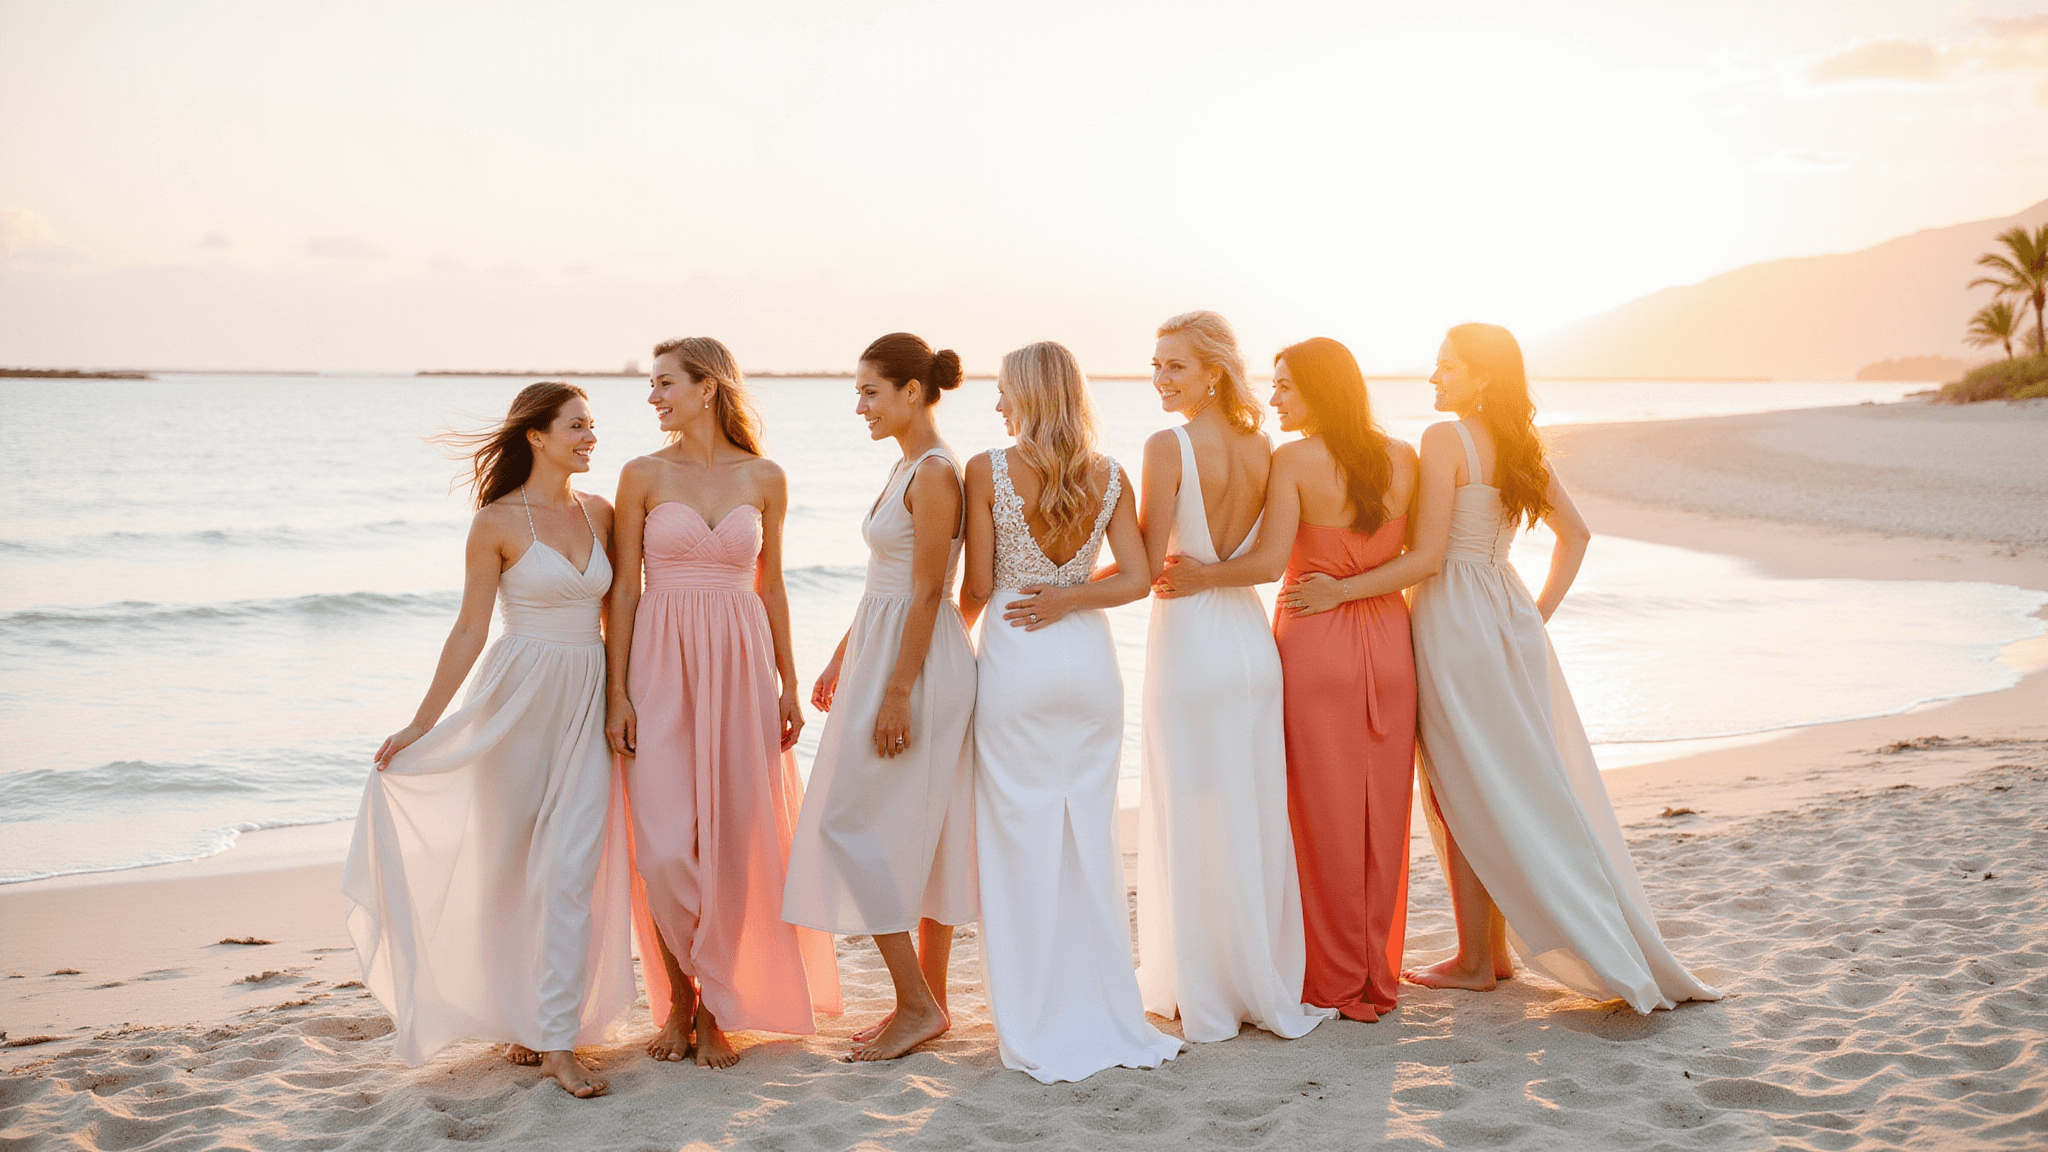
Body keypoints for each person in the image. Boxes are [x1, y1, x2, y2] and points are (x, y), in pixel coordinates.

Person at [1316, 323, 1720, 1012]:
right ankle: (1489, 952)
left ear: (1482, 378)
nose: (1434, 377)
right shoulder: (1522, 446)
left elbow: (1431, 553)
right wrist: (1536, 613)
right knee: (1502, 779)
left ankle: (1478, 958)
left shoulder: (1445, 441)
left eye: (1446, 367)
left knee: (1458, 784)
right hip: (1505, 610)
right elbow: (1577, 535)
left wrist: (1343, 584)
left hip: (1451, 615)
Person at [343, 382, 634, 1099]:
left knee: (570, 872)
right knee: (508, 872)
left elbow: (622, 609)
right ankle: (524, 1017)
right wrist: (421, 723)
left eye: (593, 426)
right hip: (515, 705)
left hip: (587, 702)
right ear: (536, 435)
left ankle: (559, 1041)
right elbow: (471, 629)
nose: (591, 437)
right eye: (577, 426)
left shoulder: (603, 513)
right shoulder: (496, 522)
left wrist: (622, 695)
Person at [1155, 336, 1419, 1023]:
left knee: (1317, 814)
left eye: (1286, 387)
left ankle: (1330, 979)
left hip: (1314, 640)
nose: (1273, 399)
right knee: (1382, 812)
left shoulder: (1294, 460)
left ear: (1321, 392)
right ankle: (1376, 975)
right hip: (1392, 644)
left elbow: (1270, 562)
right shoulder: (1404, 458)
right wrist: (1361, 588)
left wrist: (1201, 576)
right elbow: (1426, 558)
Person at [605, 338, 841, 1069]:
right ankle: (678, 995)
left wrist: (789, 684)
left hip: (740, 667)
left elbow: (771, 585)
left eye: (665, 383)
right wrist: (617, 690)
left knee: (737, 844)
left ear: (708, 388)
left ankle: (716, 1009)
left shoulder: (765, 476)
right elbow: (624, 590)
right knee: (666, 847)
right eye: (652, 384)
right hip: (660, 662)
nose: (653, 396)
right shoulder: (640, 474)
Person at [961, 340, 1183, 1083]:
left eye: (1001, 391)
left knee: (1015, 835)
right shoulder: (1110, 473)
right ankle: (1102, 1003)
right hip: (1089, 662)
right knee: (1085, 834)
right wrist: (1073, 596)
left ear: (1025, 395)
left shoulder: (987, 470)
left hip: (1018, 657)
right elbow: (1141, 577)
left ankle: (1035, 1011)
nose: (995, 406)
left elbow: (980, 583)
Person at [1130, 312, 1332, 1042]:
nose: (1161, 380)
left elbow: (1148, 566)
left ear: (1213, 370)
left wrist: (1068, 583)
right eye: (1155, 366)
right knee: (1246, 812)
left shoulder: (1167, 445)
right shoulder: (1262, 444)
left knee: (1190, 808)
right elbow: (1271, 564)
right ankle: (1252, 975)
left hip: (1191, 645)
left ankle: (1202, 985)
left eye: (1175, 367)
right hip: (1251, 646)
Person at [781, 333, 979, 1062]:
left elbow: (932, 590)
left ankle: (919, 1004)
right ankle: (927, 1004)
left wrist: (897, 691)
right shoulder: (905, 467)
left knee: (848, 819)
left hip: (916, 664)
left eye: (870, 391)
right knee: (906, 826)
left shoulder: (934, 473)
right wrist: (843, 654)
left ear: (913, 392)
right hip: (885, 647)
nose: (859, 406)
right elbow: (888, 588)